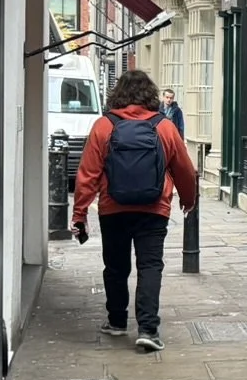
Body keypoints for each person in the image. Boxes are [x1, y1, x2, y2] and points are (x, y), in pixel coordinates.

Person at [73, 69, 199, 352]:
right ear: (150, 95)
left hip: (113, 208)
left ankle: (117, 321)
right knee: (150, 266)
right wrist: (188, 200)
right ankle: (148, 330)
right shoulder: (164, 127)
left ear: (118, 94)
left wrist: (79, 213)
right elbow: (185, 170)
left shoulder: (104, 126)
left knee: (116, 266)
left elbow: (88, 174)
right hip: (154, 209)